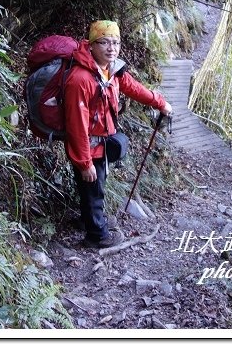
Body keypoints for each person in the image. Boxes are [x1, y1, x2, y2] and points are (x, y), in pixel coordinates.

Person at [63, 20, 172, 248]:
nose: (111, 48)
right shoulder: (81, 79)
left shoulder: (110, 71)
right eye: (104, 42)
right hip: (88, 146)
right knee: (94, 187)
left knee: (92, 187)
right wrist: (84, 163)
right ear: (91, 45)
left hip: (99, 143)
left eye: (115, 42)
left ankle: (91, 221)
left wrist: (160, 102)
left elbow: (134, 88)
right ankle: (98, 236)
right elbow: (77, 125)